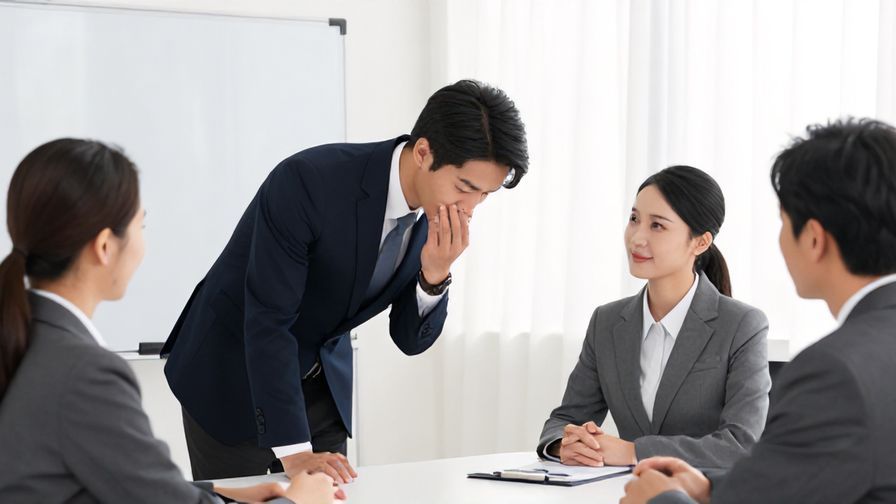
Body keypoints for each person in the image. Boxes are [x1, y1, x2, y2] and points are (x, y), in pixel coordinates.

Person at [161, 79, 530, 481]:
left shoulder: (433, 220)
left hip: (323, 386)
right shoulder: (308, 181)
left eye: (486, 195)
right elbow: (268, 318)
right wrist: (296, 452)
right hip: (233, 374)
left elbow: (409, 340)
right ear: (424, 152)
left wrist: (434, 274)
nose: (472, 208)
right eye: (465, 188)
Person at [0, 139, 342, 504]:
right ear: (104, 247)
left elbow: (131, 483)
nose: (143, 244)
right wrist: (297, 501)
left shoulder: (25, 341)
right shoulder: (86, 375)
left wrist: (222, 493)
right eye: (140, 225)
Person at [621, 118, 896, 504]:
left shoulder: (834, 372)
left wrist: (661, 499)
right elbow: (809, 480)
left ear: (814, 239)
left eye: (783, 222)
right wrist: (711, 488)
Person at [537, 165, 770, 469]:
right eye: (634, 219)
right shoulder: (606, 322)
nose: (637, 238)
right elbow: (565, 420)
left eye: (657, 226)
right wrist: (564, 446)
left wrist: (633, 452)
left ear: (700, 242)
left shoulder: (742, 325)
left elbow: (741, 445)